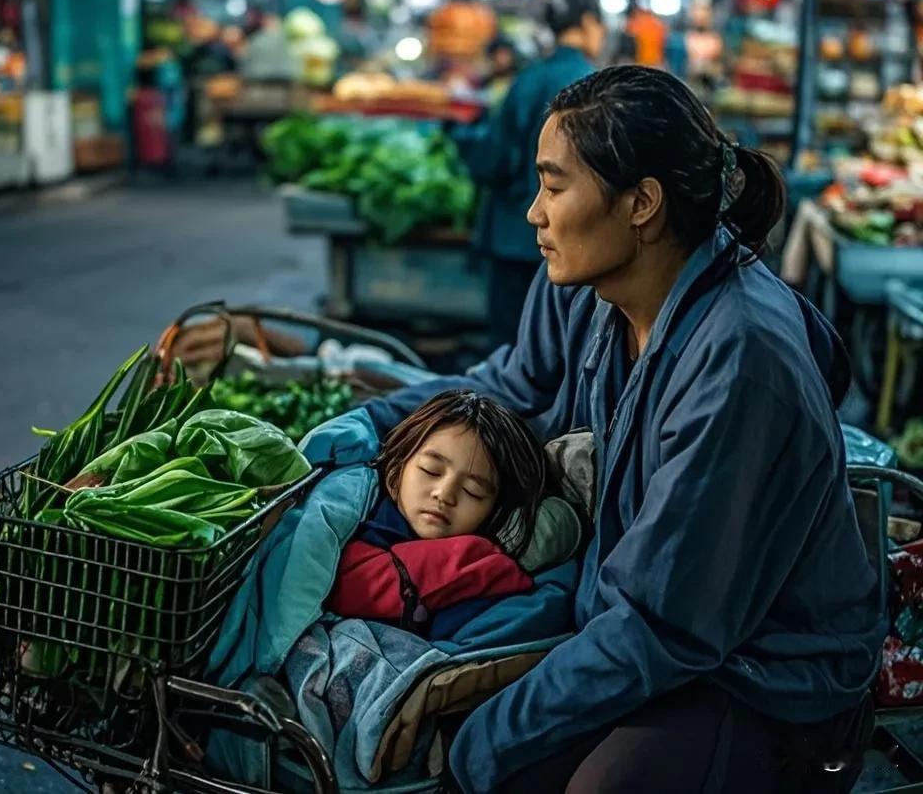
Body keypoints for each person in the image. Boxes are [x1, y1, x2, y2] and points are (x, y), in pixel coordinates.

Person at [323, 65, 884, 792]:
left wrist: (478, 744)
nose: (533, 212)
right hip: (634, 627)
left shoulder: (740, 364)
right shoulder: (595, 292)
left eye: (555, 187)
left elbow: (665, 625)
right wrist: (368, 428)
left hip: (761, 677)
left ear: (640, 204)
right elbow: (508, 390)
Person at [325, 390, 547, 641]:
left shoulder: (483, 579)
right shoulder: (340, 532)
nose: (445, 495)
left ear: (496, 512)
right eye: (431, 470)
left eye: (472, 491)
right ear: (396, 472)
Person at [456, 0, 605, 350]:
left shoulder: (526, 80)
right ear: (587, 23)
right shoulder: (596, 85)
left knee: (510, 359)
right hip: (571, 247)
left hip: (510, 241)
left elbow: (492, 159)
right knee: (561, 358)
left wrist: (461, 137)